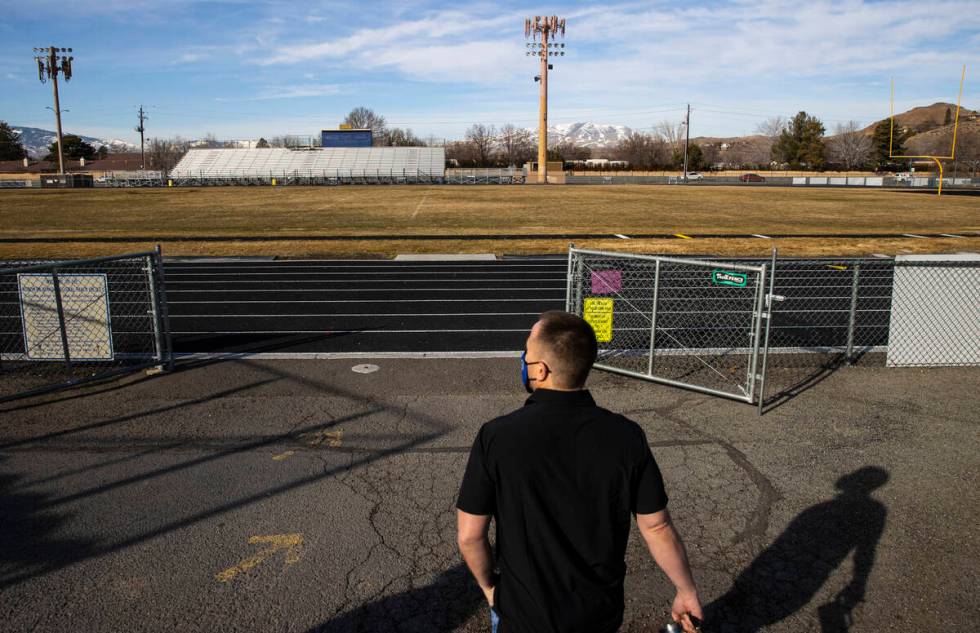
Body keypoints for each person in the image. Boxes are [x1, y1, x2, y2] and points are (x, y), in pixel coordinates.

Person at [456, 310, 703, 633]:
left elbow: (470, 536)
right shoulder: (626, 435)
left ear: (540, 370)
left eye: (527, 354)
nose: (524, 360)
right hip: (597, 613)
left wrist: (491, 591)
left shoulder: (497, 436)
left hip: (523, 615)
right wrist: (686, 591)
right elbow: (657, 526)